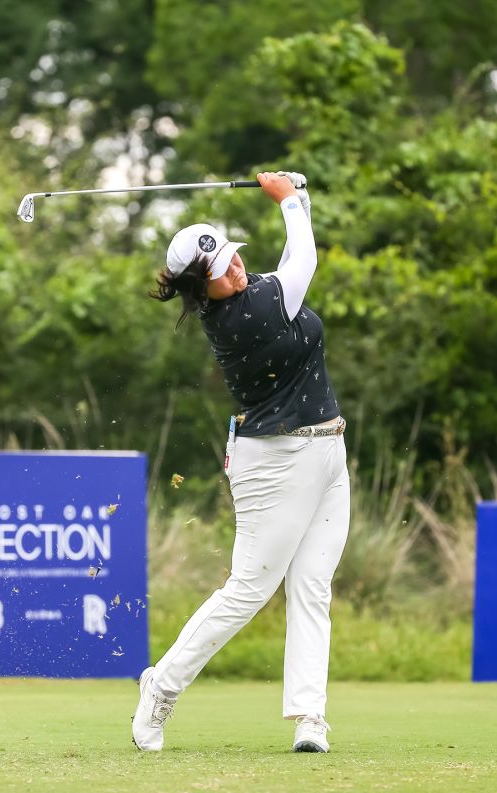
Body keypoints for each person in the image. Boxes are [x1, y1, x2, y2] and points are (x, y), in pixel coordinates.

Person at [134, 171, 350, 753]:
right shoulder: (240, 315)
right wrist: (287, 202)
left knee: (311, 587)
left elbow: (287, 264)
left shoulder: (253, 290)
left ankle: (310, 717)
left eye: (232, 258)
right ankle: (161, 687)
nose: (234, 269)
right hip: (275, 463)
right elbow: (300, 262)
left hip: (329, 452)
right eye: (220, 272)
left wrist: (300, 200)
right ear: (203, 291)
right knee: (249, 590)